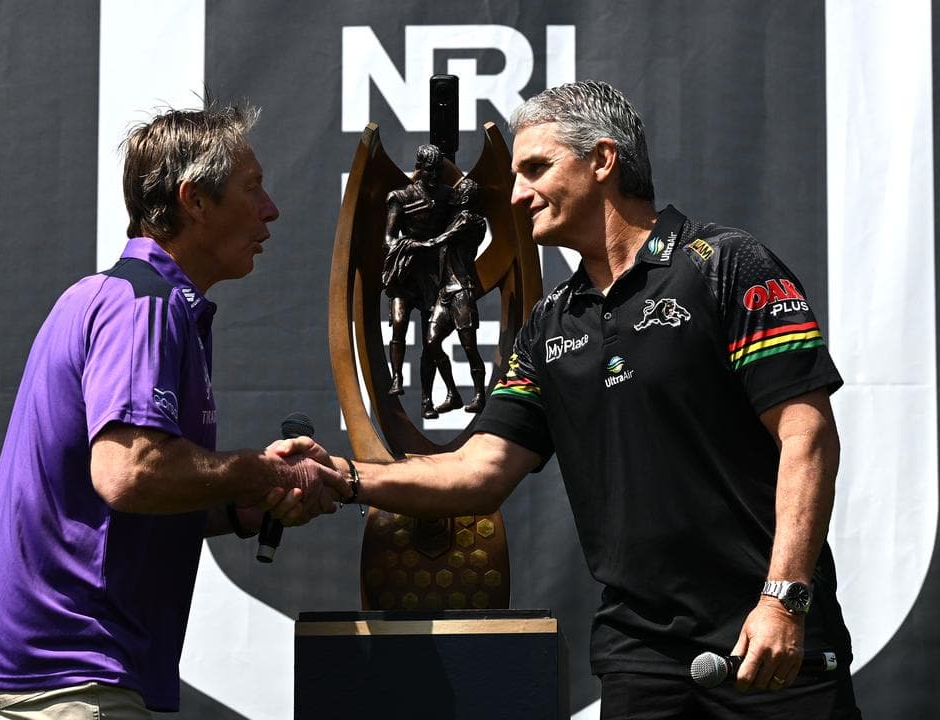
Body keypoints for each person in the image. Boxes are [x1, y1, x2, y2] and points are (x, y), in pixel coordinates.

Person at [285, 81, 861, 718]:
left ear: (603, 161)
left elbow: (807, 437)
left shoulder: (727, 264)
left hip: (769, 643)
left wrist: (783, 598)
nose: (515, 194)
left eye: (536, 168)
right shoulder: (548, 326)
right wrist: (340, 476)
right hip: (639, 655)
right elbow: (478, 473)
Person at [0, 101, 349, 718]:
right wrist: (268, 473)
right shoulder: (145, 303)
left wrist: (243, 508)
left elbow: (124, 498)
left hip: (54, 663)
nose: (270, 209)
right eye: (252, 189)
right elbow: (130, 473)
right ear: (194, 200)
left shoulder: (136, 299)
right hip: (65, 668)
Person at [380, 144, 460, 416]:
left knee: (431, 341)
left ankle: (428, 400)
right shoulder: (400, 197)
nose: (434, 175)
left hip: (433, 276)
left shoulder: (448, 197)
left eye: (438, 170)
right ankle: (396, 377)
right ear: (419, 169)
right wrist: (412, 245)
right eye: (429, 170)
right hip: (405, 272)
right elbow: (389, 239)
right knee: (399, 323)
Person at [417, 178, 488, 415]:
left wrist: (418, 244)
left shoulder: (470, 220)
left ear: (466, 198)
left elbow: (442, 239)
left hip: (461, 291)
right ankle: (452, 393)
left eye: (459, 193)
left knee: (469, 346)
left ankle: (479, 395)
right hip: (443, 293)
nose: (455, 195)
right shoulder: (453, 217)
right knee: (431, 342)